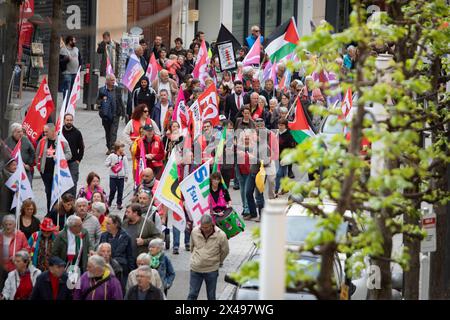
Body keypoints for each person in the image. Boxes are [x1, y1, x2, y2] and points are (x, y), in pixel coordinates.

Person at [187, 214, 229, 300]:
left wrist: (218, 261)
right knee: (192, 294)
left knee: (211, 296)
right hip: (196, 269)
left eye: (207, 227)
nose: (204, 229)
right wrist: (196, 258)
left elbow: (225, 251)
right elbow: (192, 247)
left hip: (211, 270)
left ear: (212, 224)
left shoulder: (221, 235)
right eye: (203, 227)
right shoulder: (195, 232)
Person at [36, 123, 72, 212]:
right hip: (46, 172)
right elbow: (37, 154)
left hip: (58, 173)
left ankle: (58, 211)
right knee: (48, 192)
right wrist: (39, 166)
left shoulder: (62, 142)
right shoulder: (42, 141)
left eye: (46, 132)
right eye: (44, 132)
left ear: (53, 131)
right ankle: (50, 211)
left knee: (57, 193)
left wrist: (60, 158)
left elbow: (69, 154)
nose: (45, 134)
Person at [244, 119, 271, 222]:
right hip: (252, 172)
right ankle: (252, 213)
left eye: (257, 135)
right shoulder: (255, 144)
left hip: (260, 174)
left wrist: (254, 158)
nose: (255, 136)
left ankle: (262, 215)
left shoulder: (265, 147)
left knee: (259, 195)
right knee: (248, 192)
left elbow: (267, 162)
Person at [97, 74, 126, 155]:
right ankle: (109, 147)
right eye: (112, 80)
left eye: (114, 80)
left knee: (113, 132)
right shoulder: (102, 90)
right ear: (107, 81)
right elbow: (98, 101)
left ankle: (113, 148)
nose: (114, 82)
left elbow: (120, 101)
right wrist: (101, 104)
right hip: (106, 115)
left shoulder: (118, 89)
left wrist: (123, 112)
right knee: (108, 132)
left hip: (116, 114)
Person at [100, 215, 135, 281]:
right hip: (105, 267)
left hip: (121, 268)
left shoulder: (125, 237)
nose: (106, 225)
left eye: (108, 224)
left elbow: (130, 255)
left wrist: (131, 271)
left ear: (116, 224)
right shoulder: (103, 235)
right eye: (106, 223)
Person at [62, 113, 84, 197]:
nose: (69, 122)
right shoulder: (60, 132)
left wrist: (78, 160)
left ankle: (72, 201)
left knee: (73, 182)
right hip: (62, 162)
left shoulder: (77, 133)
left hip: (73, 162)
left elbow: (81, 148)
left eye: (70, 120)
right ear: (64, 120)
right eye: (67, 120)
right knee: (63, 183)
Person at [105, 141, 129, 211]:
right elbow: (106, 163)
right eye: (122, 147)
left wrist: (126, 175)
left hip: (121, 177)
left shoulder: (124, 157)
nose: (123, 149)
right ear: (117, 148)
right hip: (113, 176)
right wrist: (110, 164)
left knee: (120, 191)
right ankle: (110, 201)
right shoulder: (111, 156)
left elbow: (126, 166)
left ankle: (119, 203)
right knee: (112, 189)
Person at [276, 118, 297, 195]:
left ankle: (275, 190)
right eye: (279, 125)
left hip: (285, 158)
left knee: (279, 174)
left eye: (282, 125)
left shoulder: (289, 135)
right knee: (284, 174)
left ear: (285, 126)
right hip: (279, 156)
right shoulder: (278, 133)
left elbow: (292, 148)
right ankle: (285, 188)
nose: (280, 127)